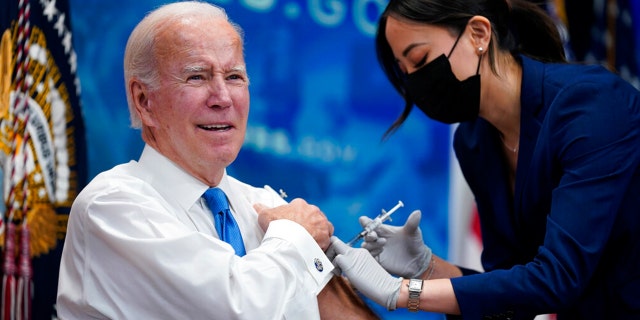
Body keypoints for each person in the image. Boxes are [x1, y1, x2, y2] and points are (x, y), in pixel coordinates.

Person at [56, 2, 378, 319]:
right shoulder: (112, 206)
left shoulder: (262, 205)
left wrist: (390, 287)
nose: (223, 98)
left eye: (235, 76)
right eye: (197, 77)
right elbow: (237, 310)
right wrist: (297, 239)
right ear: (144, 101)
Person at [329, 0, 640, 319]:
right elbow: (508, 292)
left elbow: (557, 278)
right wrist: (427, 267)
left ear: (478, 34)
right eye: (405, 74)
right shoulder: (475, 140)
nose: (416, 84)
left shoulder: (591, 106)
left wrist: (402, 293)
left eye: (419, 60)